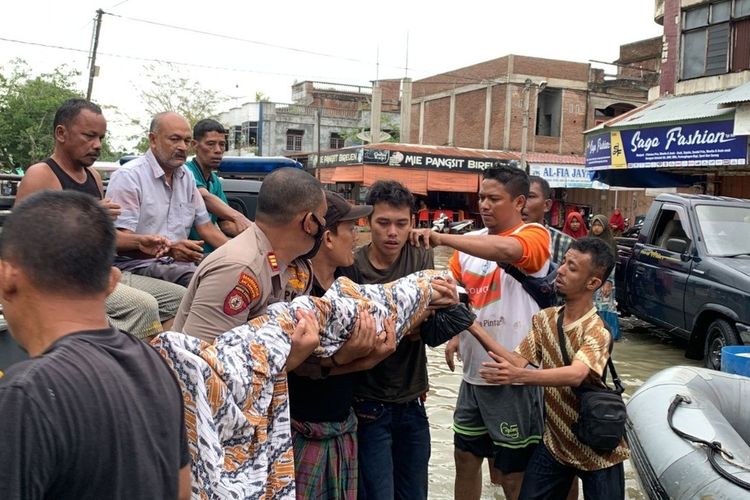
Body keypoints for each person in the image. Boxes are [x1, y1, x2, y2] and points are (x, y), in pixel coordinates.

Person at [0, 190, 191, 499]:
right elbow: (182, 491)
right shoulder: (155, 364)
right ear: (112, 281)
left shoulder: (27, 395)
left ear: (7, 275)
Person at [411, 165, 550, 500]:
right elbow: (459, 296)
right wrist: (456, 336)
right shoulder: (468, 243)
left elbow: (507, 251)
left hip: (515, 377)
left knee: (514, 473)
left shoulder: (535, 236)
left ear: (518, 202)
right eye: (481, 198)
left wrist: (440, 237)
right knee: (465, 457)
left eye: (493, 198)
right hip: (474, 375)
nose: (484, 205)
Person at [15, 98, 185, 340]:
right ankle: (127, 370)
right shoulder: (42, 175)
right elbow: (27, 246)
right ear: (61, 133)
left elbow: (99, 237)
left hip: (101, 273)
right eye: (89, 136)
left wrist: (139, 242)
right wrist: (87, 215)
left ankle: (160, 362)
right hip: (64, 282)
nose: (97, 145)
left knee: (179, 298)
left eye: (101, 138)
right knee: (143, 305)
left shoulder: (93, 176)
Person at [473, 237, 629, 499]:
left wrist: (520, 376)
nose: (561, 271)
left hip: (598, 450)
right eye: (564, 262)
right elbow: (516, 361)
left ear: (593, 283)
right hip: (556, 445)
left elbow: (578, 374)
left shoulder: (597, 330)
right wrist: (471, 326)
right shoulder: (544, 319)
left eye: (573, 268)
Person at [288, 191, 397, 499]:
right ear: (328, 238)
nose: (358, 236)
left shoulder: (348, 281)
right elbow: (292, 367)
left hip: (343, 425)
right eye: (351, 228)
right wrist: (353, 360)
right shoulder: (296, 291)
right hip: (303, 428)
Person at [352, 180, 435, 500]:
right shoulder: (353, 266)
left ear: (412, 223)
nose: (392, 233)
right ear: (367, 222)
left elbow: (431, 317)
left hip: (413, 398)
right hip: (367, 403)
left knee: (415, 494)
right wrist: (412, 318)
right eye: (383, 223)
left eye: (401, 224)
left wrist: (403, 322)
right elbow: (362, 333)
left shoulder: (420, 255)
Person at [173, 167, 325, 342]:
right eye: (322, 217)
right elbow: (200, 362)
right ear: (309, 223)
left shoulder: (279, 261)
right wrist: (293, 357)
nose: (325, 224)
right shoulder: (239, 269)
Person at [107, 111, 229, 286]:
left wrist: (243, 254)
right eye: (175, 139)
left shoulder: (186, 176)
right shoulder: (129, 176)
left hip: (179, 264)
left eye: (187, 141)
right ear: (153, 140)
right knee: (208, 283)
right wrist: (169, 251)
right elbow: (119, 240)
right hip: (136, 265)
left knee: (233, 271)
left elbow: (207, 229)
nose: (182, 147)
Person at [185, 118, 252, 252]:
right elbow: (205, 198)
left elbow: (225, 223)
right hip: (188, 255)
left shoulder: (215, 181)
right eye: (210, 144)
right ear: (194, 145)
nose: (217, 150)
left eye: (222, 144)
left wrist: (256, 234)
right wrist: (238, 217)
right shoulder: (186, 172)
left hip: (210, 253)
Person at [523, 176, 575, 265]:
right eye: (516, 197)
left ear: (547, 205)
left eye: (530, 196)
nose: (521, 203)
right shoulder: (501, 240)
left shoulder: (566, 244)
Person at [589, 214, 620, 339]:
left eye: (599, 225)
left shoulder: (610, 243)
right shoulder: (588, 240)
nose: (596, 228)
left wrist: (609, 281)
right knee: (591, 305)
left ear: (605, 227)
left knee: (605, 305)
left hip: (605, 279)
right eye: (594, 225)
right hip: (590, 279)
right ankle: (592, 333)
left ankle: (608, 334)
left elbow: (612, 264)